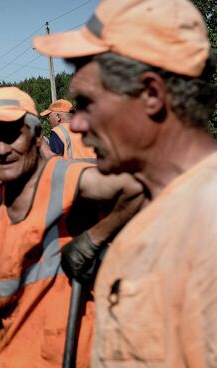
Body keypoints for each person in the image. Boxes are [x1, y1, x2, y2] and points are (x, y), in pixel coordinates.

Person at [33, 0, 217, 365]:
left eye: (88, 103)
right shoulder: (165, 207)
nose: (79, 125)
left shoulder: (206, 228)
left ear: (151, 95)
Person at [0, 87, 142, 367]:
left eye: (12, 135)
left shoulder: (60, 176)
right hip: (9, 352)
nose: (0, 149)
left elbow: (134, 188)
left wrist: (93, 240)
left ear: (36, 137)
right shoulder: (3, 194)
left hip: (59, 353)